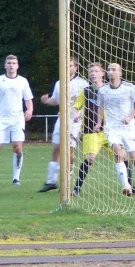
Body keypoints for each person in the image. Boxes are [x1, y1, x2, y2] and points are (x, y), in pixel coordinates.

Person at [71, 62, 135, 196]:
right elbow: (76, 106)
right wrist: (76, 115)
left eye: (96, 71)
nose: (93, 74)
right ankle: (77, 188)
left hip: (111, 130)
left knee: (121, 156)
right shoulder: (86, 91)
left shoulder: (110, 90)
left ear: (102, 73)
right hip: (92, 131)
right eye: (91, 72)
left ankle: (129, 185)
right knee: (90, 157)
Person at [0, 55, 34, 186]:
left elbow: (28, 99)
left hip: (17, 119)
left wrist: (30, 110)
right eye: (9, 63)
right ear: (5, 65)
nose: (11, 65)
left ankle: (16, 178)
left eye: (13, 63)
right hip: (2, 119)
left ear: (17, 66)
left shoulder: (23, 81)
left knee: (17, 147)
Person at [95, 63, 135, 196]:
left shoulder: (130, 88)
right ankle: (126, 185)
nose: (110, 72)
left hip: (128, 128)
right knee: (118, 153)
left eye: (114, 69)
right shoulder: (103, 90)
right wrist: (99, 123)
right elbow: (101, 107)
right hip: (112, 128)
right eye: (109, 69)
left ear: (120, 73)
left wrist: (130, 117)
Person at [38, 57, 88, 192]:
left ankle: (67, 182)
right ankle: (50, 181)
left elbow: (87, 102)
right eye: (66, 65)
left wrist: (81, 115)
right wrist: (46, 100)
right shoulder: (59, 83)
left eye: (71, 65)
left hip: (74, 121)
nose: (68, 68)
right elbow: (55, 100)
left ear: (76, 68)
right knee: (56, 149)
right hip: (61, 119)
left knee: (69, 152)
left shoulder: (82, 83)